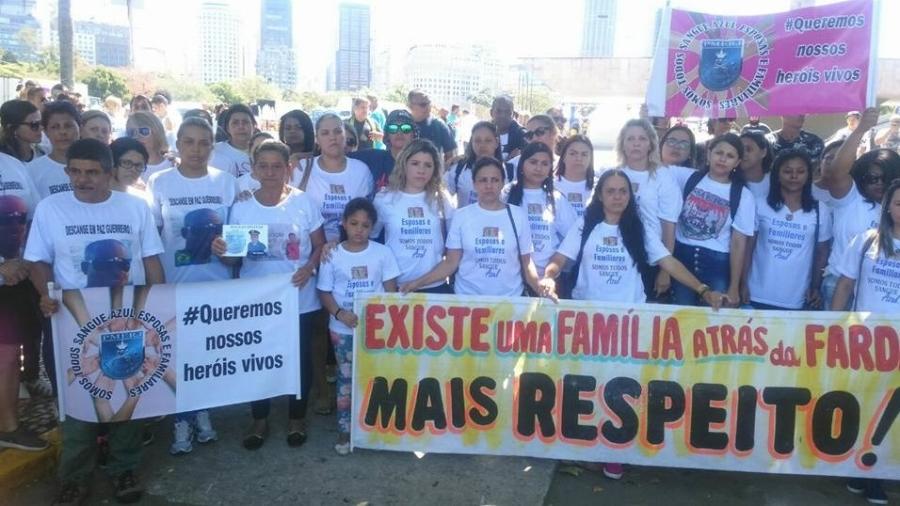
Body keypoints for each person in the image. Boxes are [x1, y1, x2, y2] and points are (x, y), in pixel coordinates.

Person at [25, 138, 165, 505]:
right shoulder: (50, 209)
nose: (82, 179)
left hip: (125, 321)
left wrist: (162, 305)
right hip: (72, 322)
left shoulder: (135, 208)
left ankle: (124, 469)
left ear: (109, 173)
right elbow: (37, 260)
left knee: (127, 396)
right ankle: (74, 477)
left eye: (92, 172)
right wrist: (46, 292)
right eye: (74, 171)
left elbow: (151, 260)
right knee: (77, 403)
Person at [211, 140, 325, 450]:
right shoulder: (242, 206)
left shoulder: (304, 203)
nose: (271, 172)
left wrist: (310, 268)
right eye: (264, 165)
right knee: (257, 360)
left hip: (298, 299)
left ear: (289, 168)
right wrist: (221, 251)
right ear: (254, 169)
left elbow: (319, 245)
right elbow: (234, 259)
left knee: (299, 361)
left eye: (278, 166)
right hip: (257, 303)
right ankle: (259, 418)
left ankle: (296, 417)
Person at [147, 118, 235, 455]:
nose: (196, 150)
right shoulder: (158, 182)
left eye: (204, 143)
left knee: (206, 356)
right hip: (173, 284)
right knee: (178, 356)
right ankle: (182, 418)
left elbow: (236, 237)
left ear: (212, 146)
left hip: (217, 285)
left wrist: (229, 252)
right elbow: (151, 239)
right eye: (189, 142)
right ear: (178, 144)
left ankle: (203, 411)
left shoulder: (227, 183)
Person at [539, 168, 727, 306]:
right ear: (600, 196)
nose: (617, 197)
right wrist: (548, 277)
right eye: (610, 191)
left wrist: (703, 290)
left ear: (630, 195)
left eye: (623, 191)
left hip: (631, 315)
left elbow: (669, 262)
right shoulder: (585, 224)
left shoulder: (640, 228)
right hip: (587, 312)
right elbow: (560, 258)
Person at [830, 180, 900, 506]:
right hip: (864, 342)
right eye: (899, 202)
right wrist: (833, 327)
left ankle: (873, 471)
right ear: (888, 206)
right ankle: (864, 472)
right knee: (865, 409)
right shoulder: (867, 240)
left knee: (892, 413)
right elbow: (844, 286)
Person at [317, 198, 400, 455]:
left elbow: (391, 292)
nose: (359, 230)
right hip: (342, 331)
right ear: (343, 223)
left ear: (373, 228)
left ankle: (377, 428)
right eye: (353, 223)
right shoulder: (332, 254)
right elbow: (324, 292)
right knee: (346, 380)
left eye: (365, 225)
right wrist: (340, 314)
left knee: (378, 378)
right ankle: (345, 429)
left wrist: (383, 321)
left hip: (376, 331)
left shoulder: (382, 253)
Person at [401, 157, 544, 298]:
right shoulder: (461, 216)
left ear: (503, 183)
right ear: (474, 184)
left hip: (510, 302)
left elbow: (527, 263)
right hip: (468, 304)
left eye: (494, 180)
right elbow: (451, 262)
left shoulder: (518, 215)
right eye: (483, 180)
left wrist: (541, 289)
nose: (489, 186)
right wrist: (417, 283)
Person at [817, 108, 900, 309]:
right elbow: (837, 172)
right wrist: (860, 129)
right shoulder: (851, 198)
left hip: (882, 291)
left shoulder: (895, 205)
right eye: (872, 178)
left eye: (885, 178)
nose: (879, 183)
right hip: (839, 284)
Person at [670, 133, 755, 307]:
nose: (723, 159)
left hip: (717, 264)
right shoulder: (686, 177)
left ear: (737, 163)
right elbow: (656, 165)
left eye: (730, 156)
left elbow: (739, 242)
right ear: (709, 154)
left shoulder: (743, 195)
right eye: (719, 152)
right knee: (681, 318)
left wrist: (734, 286)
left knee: (713, 324)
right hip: (681, 259)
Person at [743, 149, 831, 310]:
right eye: (787, 171)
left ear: (808, 175)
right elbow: (748, 246)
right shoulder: (759, 204)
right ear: (777, 174)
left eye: (800, 171)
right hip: (755, 294)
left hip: (797, 298)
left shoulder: (820, 210)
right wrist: (741, 284)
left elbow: (822, 252)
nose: (794, 177)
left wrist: (816, 287)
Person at [0, 151, 45, 453]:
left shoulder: (13, 166)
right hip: (7, 272)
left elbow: (36, 218)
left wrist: (22, 262)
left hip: (15, 280)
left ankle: (8, 426)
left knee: (7, 356)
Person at [609, 118, 682, 301]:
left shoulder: (663, 177)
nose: (636, 143)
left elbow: (668, 225)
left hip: (651, 258)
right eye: (630, 139)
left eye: (642, 139)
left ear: (650, 144)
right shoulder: (612, 174)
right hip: (616, 257)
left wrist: (665, 271)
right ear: (622, 144)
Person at [371, 139, 455, 294]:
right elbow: (371, 240)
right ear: (404, 164)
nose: (421, 170)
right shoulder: (384, 198)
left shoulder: (442, 199)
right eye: (415, 163)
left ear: (435, 169)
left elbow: (453, 250)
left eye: (428, 165)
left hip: (435, 287)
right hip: (395, 287)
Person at [297, 113, 374, 243]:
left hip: (349, 252)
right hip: (311, 251)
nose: (332, 137)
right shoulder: (300, 168)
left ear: (345, 135)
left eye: (338, 131)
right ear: (317, 139)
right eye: (325, 133)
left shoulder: (361, 170)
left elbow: (368, 215)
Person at [503, 142, 577, 276]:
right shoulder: (507, 192)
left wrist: (556, 264)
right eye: (533, 162)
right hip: (511, 276)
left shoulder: (556, 198)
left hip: (547, 278)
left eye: (544, 164)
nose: (538, 168)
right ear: (522, 165)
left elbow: (573, 236)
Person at [349, 109, 419, 192]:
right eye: (393, 128)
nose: (399, 132)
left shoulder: (422, 164)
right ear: (387, 134)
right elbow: (339, 159)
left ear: (413, 134)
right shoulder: (372, 157)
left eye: (406, 128)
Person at [445, 121, 509, 207]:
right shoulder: (458, 169)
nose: (482, 145)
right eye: (477, 141)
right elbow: (441, 195)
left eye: (488, 141)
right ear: (472, 143)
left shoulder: (509, 172)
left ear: (496, 142)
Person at [28, 100, 81, 199]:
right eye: (55, 127)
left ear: (80, 128)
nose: (62, 132)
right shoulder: (32, 170)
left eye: (68, 126)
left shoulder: (96, 167)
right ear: (46, 132)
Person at [407, 89, 456, 162]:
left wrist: (443, 172)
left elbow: (450, 155)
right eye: (423, 105)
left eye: (429, 103)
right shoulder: (403, 124)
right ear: (410, 106)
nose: (428, 107)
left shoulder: (439, 125)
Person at [555, 135, 596, 218]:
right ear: (563, 157)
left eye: (584, 154)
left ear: (590, 159)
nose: (579, 158)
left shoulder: (598, 188)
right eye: (573, 153)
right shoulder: (551, 186)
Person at [210, 104, 256, 178]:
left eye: (245, 122)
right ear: (227, 128)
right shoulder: (215, 151)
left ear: (254, 126)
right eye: (235, 123)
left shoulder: (262, 151)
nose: (241, 126)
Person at [127, 112, 173, 182]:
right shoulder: (125, 167)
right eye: (131, 132)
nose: (137, 136)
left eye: (144, 131)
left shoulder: (173, 164)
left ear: (157, 132)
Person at [109, 137, 150, 202]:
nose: (133, 169)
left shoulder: (141, 201)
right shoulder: (93, 198)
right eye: (127, 163)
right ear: (112, 162)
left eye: (139, 165)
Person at [738, 131, 774, 200]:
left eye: (748, 149)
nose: (743, 154)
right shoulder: (729, 181)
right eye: (740, 149)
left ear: (763, 152)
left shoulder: (775, 180)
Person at [491, 95, 525, 161]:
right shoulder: (483, 133)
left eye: (507, 112)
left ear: (513, 114)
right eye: (499, 111)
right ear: (491, 113)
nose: (503, 115)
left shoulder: (523, 136)